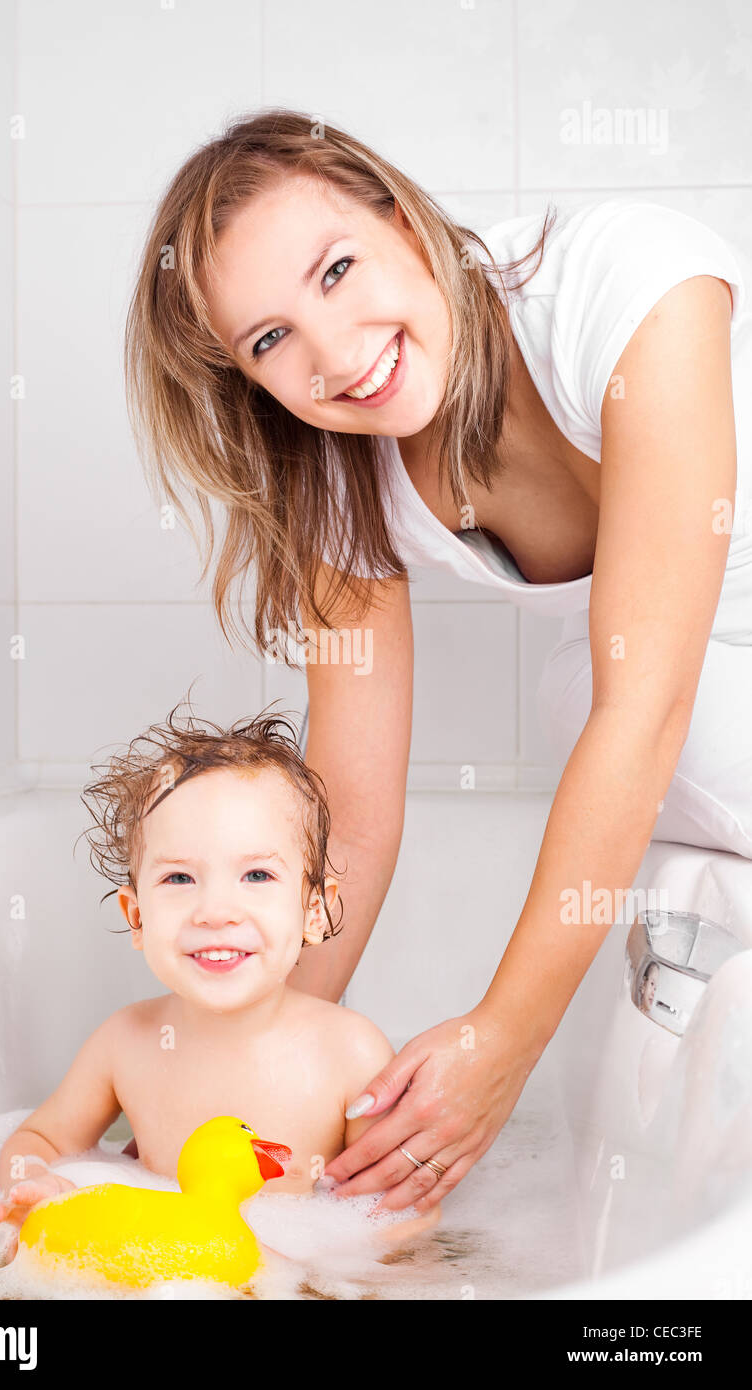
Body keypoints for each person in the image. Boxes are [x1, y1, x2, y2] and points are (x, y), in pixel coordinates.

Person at [122, 107, 751, 1215]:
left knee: (624, 705)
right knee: (577, 691)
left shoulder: (623, 288)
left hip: (680, 687)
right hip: (693, 676)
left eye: (335, 269)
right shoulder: (334, 484)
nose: (333, 352)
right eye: (269, 340)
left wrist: (499, 1041)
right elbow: (353, 811)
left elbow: (647, 711)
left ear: (399, 212)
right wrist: (257, 1057)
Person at [0, 709, 437, 1263]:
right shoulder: (124, 1042)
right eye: (179, 878)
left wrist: (316, 1270)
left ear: (315, 910)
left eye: (256, 876)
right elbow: (39, 1141)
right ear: (137, 916)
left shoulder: (348, 1053)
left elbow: (406, 1205)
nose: (216, 911)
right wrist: (37, 1185)